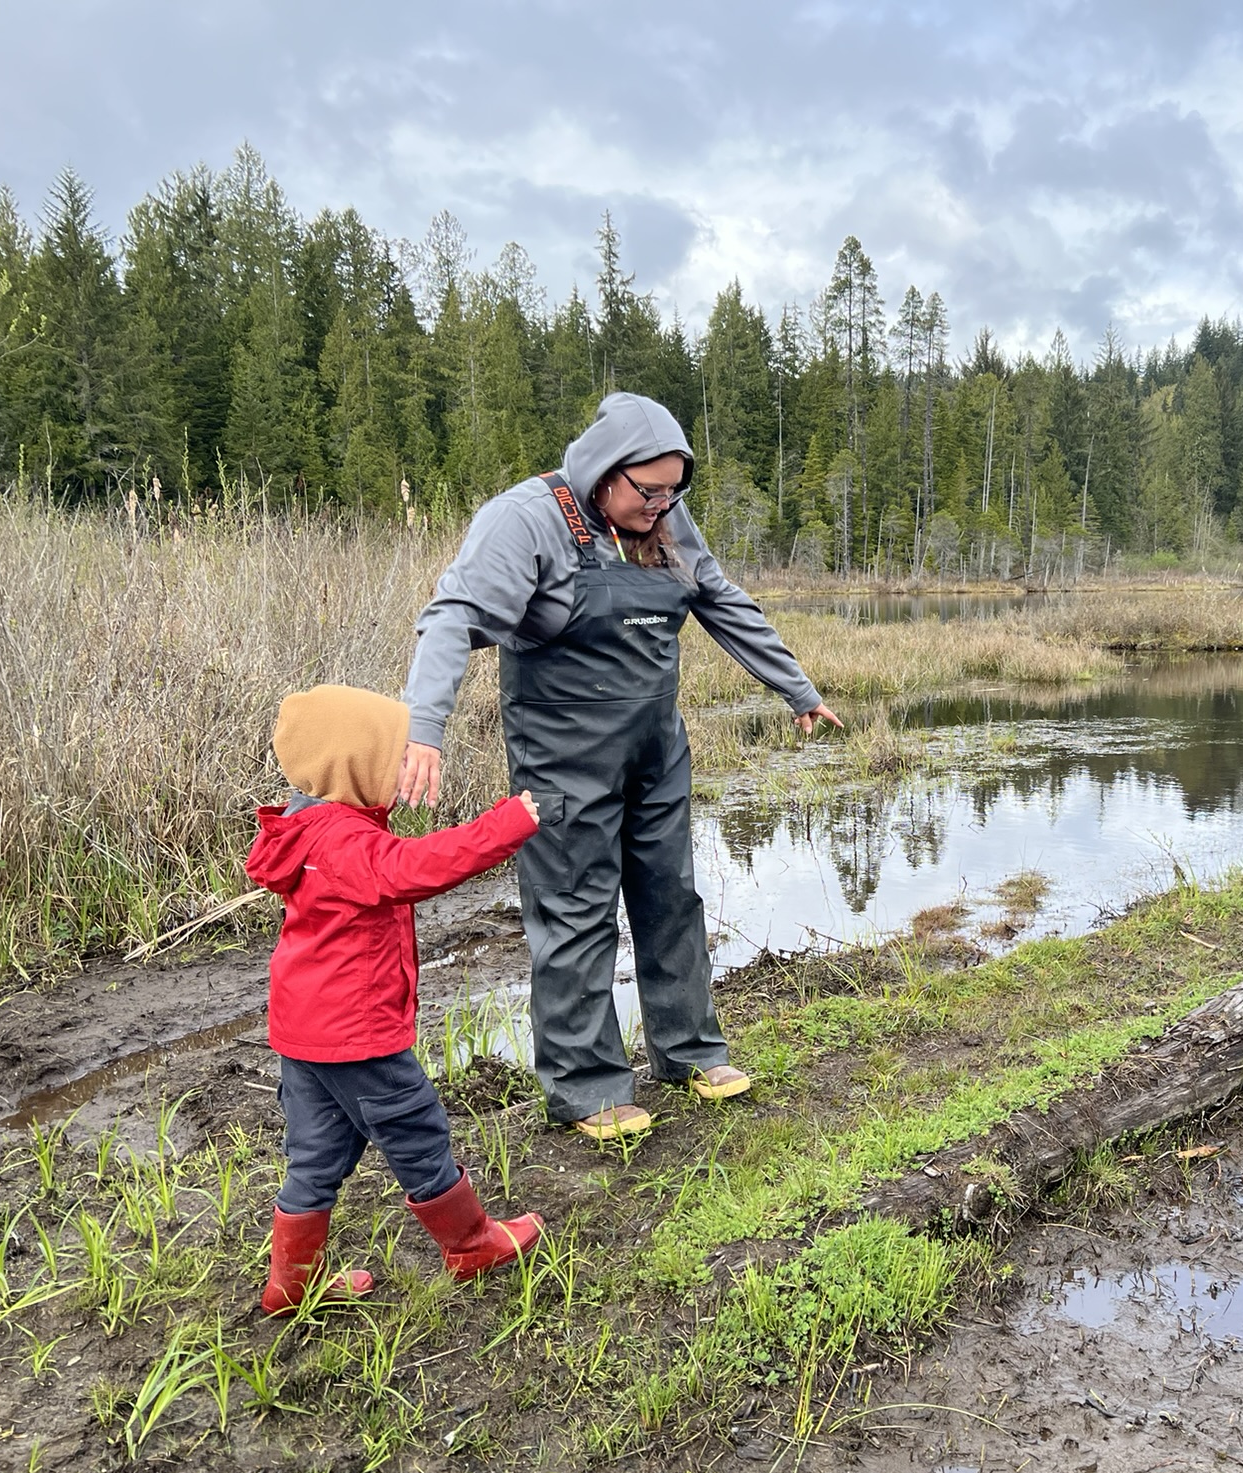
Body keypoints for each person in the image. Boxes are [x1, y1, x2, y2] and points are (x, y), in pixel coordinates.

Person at [396, 392, 841, 1142]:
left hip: (654, 748)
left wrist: (795, 686)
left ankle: (689, 1051)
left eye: (675, 490)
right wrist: (424, 728)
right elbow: (453, 613)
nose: (663, 505)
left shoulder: (660, 518)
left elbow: (719, 600)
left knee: (672, 897)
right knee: (575, 912)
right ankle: (587, 1087)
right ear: (605, 473)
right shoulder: (526, 519)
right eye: (649, 490)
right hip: (563, 758)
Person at [247, 684, 546, 1317]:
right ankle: (471, 1244)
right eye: (391, 760)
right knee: (416, 1128)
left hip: (303, 1030)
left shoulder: (309, 829)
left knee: (317, 1153)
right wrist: (509, 822)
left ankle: (290, 1285)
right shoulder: (344, 845)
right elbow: (418, 868)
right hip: (354, 1032)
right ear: (354, 768)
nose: (402, 770)